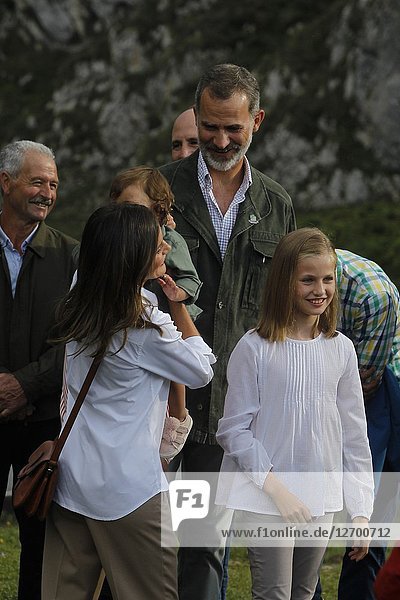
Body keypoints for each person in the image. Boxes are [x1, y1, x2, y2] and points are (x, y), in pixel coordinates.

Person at [159, 63, 296, 599]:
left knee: (202, 546)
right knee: (146, 544)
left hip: (232, 412)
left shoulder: (276, 204)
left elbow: (282, 310)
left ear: (256, 121)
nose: (219, 140)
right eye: (210, 126)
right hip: (166, 404)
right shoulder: (160, 191)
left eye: (232, 128)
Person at [42, 203, 215, 600]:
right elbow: (201, 369)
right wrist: (178, 305)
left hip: (70, 477)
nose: (166, 251)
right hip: (128, 488)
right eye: (157, 247)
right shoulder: (144, 327)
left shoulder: (77, 302)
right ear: (132, 256)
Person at [216, 228, 374, 600]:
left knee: (304, 593)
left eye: (327, 279)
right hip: (268, 499)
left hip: (322, 496)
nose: (320, 290)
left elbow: (354, 436)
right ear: (285, 282)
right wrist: (277, 491)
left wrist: (362, 512)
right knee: (274, 594)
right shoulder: (254, 347)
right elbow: (234, 430)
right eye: (308, 280)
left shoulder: (341, 349)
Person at [0, 140, 78, 600]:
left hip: (44, 424)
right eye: (37, 181)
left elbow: (77, 340)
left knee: (41, 544)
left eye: (53, 184)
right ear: (5, 182)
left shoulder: (71, 256)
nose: (47, 192)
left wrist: (23, 386)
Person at [332, 249, 400, 600]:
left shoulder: (372, 294)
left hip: (381, 387)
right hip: (335, 386)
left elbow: (366, 382)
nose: (318, 290)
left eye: (325, 281)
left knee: (370, 505)